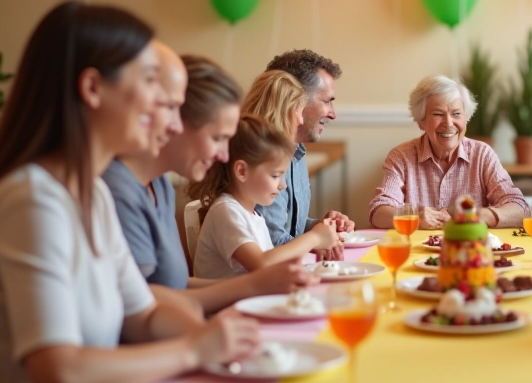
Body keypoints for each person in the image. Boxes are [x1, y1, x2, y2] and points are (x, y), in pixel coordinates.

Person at [0, 2, 258, 383]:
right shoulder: (32, 200)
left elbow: (143, 316)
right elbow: (60, 377)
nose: (172, 117)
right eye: (150, 82)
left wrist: (224, 337)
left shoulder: (92, 193)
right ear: (92, 89)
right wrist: (194, 350)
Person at [103, 52, 315, 315]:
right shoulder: (118, 191)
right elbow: (141, 306)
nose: (224, 156)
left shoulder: (159, 186)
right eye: (217, 138)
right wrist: (251, 285)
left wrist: (255, 284)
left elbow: (171, 286)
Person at [369, 75, 528, 229]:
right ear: (421, 122)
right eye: (438, 114)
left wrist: (480, 215)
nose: (448, 123)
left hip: (470, 251)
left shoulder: (482, 154)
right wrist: (413, 217)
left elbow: (520, 209)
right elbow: (378, 212)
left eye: (456, 114)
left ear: (466, 118)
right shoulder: (401, 157)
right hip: (416, 253)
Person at [191, 115, 339, 279]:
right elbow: (262, 264)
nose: (283, 185)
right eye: (276, 176)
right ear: (242, 171)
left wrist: (313, 248)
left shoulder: (254, 215)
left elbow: (272, 265)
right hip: (227, 304)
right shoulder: (226, 211)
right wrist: (315, 237)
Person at [261, 50, 354, 260]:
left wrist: (320, 227)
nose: (333, 113)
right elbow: (274, 245)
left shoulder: (297, 152)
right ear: (296, 100)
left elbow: (290, 226)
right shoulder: (262, 160)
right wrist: (317, 239)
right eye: (327, 101)